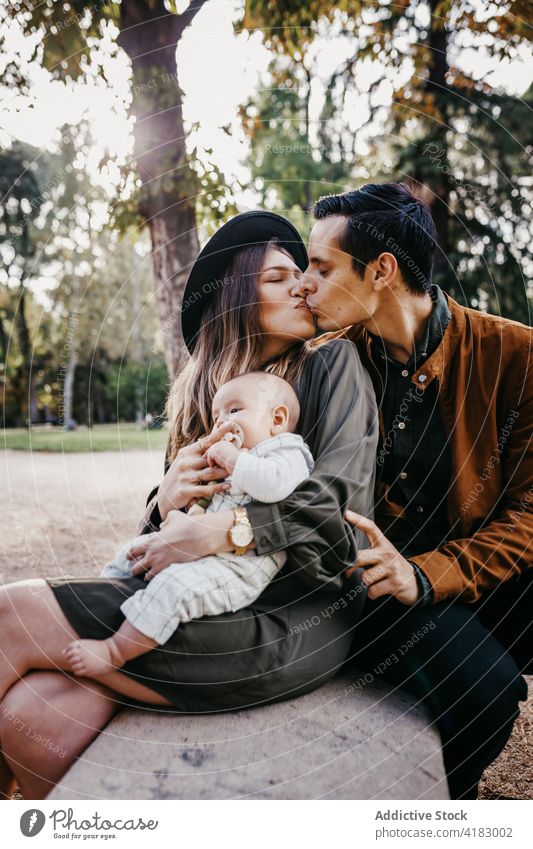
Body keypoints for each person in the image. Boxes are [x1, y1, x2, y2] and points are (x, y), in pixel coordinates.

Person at [0, 211, 378, 799]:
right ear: (236, 299)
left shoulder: (332, 367)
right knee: (34, 714)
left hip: (287, 619)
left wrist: (233, 532)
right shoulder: (215, 399)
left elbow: (340, 520)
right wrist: (165, 503)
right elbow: (165, 543)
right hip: (190, 604)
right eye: (279, 278)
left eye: (303, 273)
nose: (303, 285)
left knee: (10, 614)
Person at [300, 181, 531, 799]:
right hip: (377, 588)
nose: (305, 284)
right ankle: (436, 806)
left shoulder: (516, 355)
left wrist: (427, 573)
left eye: (321, 267)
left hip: (464, 572)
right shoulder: (330, 363)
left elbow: (530, 518)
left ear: (381, 270)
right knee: (488, 690)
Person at [64, 372, 314, 677]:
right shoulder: (238, 456)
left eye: (234, 411)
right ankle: (94, 601)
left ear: (277, 419)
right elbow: (211, 501)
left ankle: (115, 651)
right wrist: (190, 515)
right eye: (216, 415)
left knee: (174, 589)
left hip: (238, 568)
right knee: (133, 551)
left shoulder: (289, 453)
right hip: (203, 551)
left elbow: (273, 486)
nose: (222, 423)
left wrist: (234, 460)